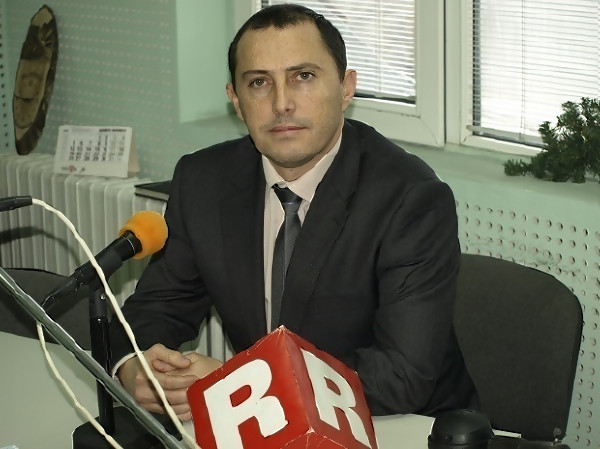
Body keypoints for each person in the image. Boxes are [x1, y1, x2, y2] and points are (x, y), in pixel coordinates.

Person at [109, 3, 477, 423]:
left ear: (346, 88)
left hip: (398, 426)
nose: (281, 103)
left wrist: (245, 383)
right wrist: (136, 365)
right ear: (236, 101)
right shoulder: (203, 181)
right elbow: (159, 307)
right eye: (259, 82)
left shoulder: (410, 199)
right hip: (270, 429)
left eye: (303, 76)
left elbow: (401, 374)